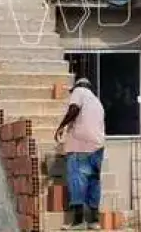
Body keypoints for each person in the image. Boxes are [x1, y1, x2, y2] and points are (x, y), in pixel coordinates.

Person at [55, 78, 105, 230]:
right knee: (93, 181)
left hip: (80, 146)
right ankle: (94, 221)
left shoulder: (79, 92)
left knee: (77, 181)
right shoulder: (97, 102)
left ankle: (78, 221)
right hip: (98, 147)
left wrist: (61, 126)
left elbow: (74, 109)